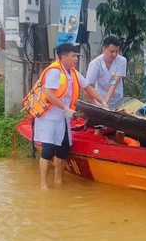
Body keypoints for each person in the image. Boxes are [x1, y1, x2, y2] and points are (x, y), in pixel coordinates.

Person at [30, 43, 108, 189]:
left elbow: (89, 88)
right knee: (47, 150)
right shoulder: (54, 71)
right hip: (49, 118)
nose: (76, 59)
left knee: (63, 149)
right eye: (73, 56)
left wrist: (103, 103)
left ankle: (59, 181)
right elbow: (49, 95)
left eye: (76, 56)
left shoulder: (73, 73)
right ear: (63, 57)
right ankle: (44, 184)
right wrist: (65, 109)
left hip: (63, 119)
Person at [85, 35, 127, 107]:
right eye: (112, 51)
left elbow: (113, 84)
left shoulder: (122, 61)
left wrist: (105, 102)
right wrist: (97, 106)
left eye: (117, 51)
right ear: (104, 49)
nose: (114, 54)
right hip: (99, 100)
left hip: (117, 101)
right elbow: (88, 88)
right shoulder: (95, 64)